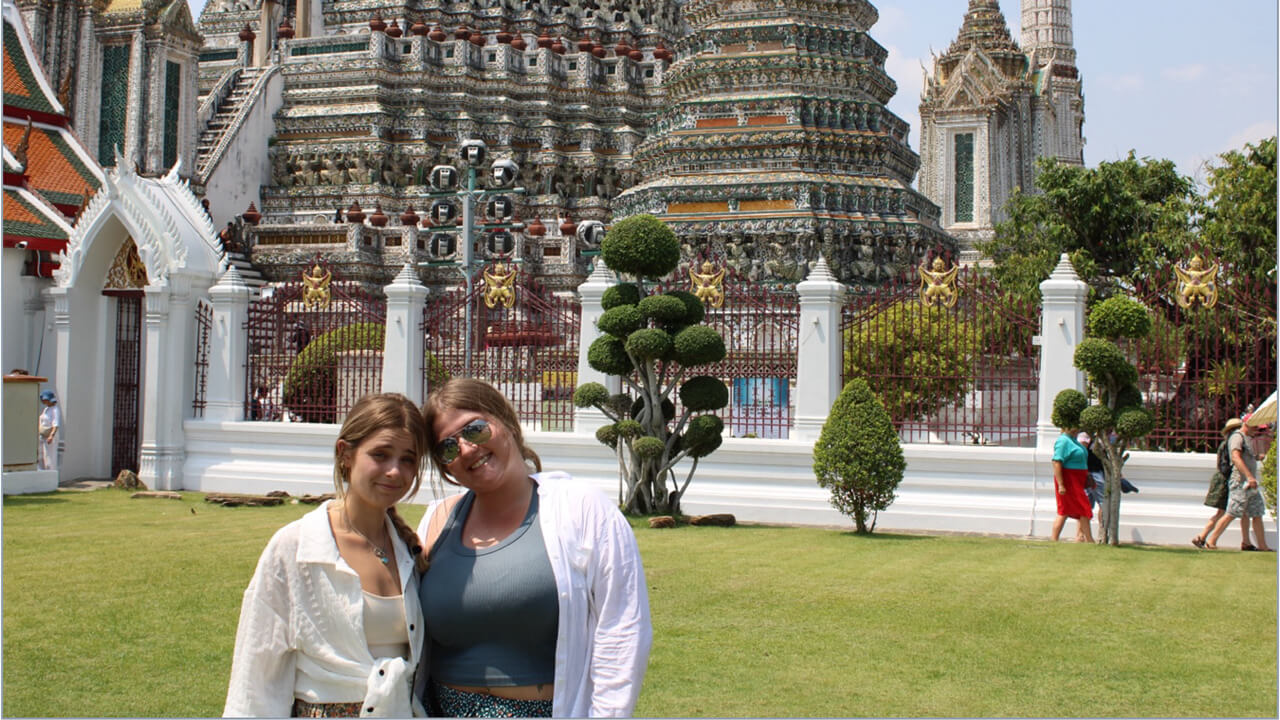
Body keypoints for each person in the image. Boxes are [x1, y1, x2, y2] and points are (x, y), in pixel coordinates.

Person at [415, 378, 652, 717]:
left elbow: (622, 630)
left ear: (507, 421)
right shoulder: (437, 521)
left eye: (475, 429)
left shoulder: (581, 509)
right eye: (447, 448)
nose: (466, 449)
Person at [225, 393, 430, 717]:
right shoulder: (296, 548)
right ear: (345, 454)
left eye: (408, 459)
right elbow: (256, 676)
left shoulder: (409, 549)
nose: (395, 471)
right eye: (381, 454)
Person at [1205, 414, 1274, 551]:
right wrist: (1249, 477)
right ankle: (1211, 541)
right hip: (1241, 482)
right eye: (1255, 426)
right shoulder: (1237, 437)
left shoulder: (1247, 439)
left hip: (1249, 483)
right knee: (1231, 512)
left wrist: (1256, 458)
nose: (1257, 430)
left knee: (1257, 513)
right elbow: (1236, 458)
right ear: (1246, 424)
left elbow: (1244, 457)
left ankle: (1263, 546)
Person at [1191, 418, 1239, 548]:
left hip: (1222, 478)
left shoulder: (1227, 443)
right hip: (1225, 479)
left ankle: (1202, 536)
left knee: (1221, 512)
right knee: (1223, 512)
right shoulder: (1230, 444)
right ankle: (1203, 536)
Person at [1051, 424, 1094, 543]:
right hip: (1069, 481)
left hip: (1077, 480)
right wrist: (1061, 484)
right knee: (1067, 510)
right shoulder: (1063, 441)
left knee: (1079, 509)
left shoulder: (1073, 440)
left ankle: (1088, 539)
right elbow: (1056, 462)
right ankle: (1088, 540)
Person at [38, 389, 59, 471]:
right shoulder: (46, 409)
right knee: (41, 456)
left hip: (49, 436)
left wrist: (51, 436)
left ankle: (51, 473)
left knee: (49, 457)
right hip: (43, 435)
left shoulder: (55, 410)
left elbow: (55, 424)